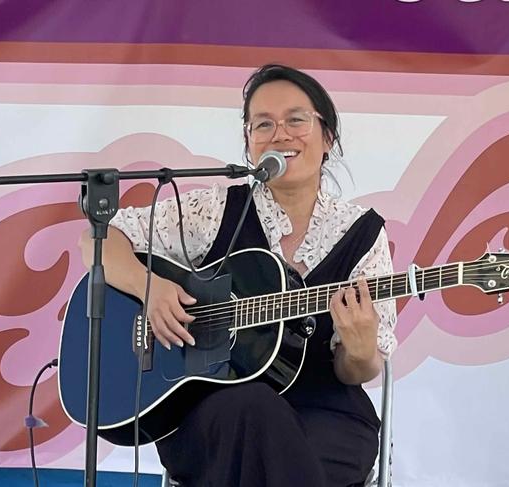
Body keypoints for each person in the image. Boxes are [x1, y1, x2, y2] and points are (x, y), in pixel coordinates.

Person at [79, 64, 397, 487]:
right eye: (263, 124)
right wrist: (150, 289)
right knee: (253, 409)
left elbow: (357, 370)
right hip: (215, 409)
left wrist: (358, 350)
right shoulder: (215, 210)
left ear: (328, 138)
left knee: (278, 455)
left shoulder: (363, 234)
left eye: (297, 120)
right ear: (250, 146)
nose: (280, 134)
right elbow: (100, 239)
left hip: (326, 413)